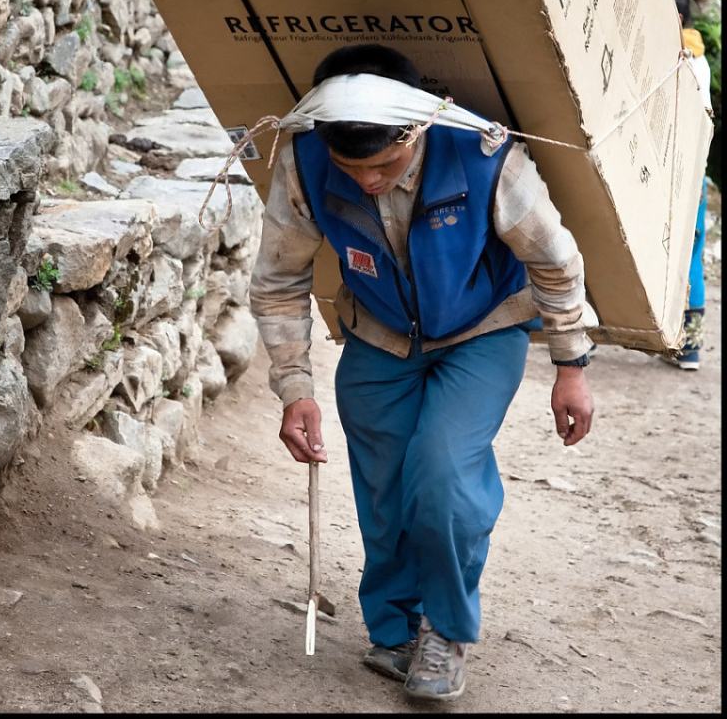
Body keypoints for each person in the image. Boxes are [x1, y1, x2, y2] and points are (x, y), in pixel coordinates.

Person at [249, 43, 595, 702]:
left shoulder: (485, 155)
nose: (370, 181)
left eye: (386, 163)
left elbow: (555, 261)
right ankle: (395, 629)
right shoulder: (303, 158)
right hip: (378, 336)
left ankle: (445, 628)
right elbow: (278, 282)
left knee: (442, 476)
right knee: (384, 494)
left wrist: (570, 364)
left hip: (482, 329)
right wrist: (295, 387)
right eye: (354, 169)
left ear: (420, 127)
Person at [663, 0, 713, 370]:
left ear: (675, 17)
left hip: (672, 171)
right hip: (696, 171)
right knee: (691, 252)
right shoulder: (699, 57)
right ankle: (690, 346)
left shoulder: (678, 59)